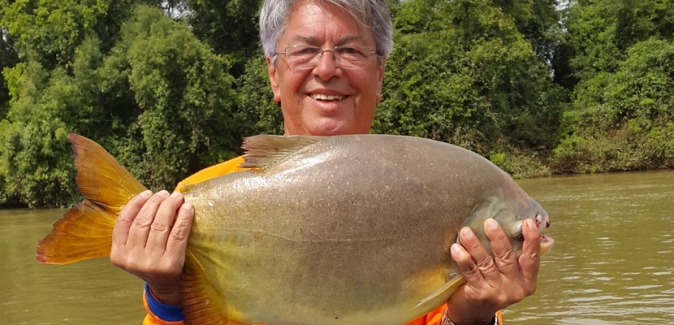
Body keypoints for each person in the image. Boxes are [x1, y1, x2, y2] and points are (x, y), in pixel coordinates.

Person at [110, 0, 542, 324]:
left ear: (380, 74)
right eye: (305, 51)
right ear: (273, 74)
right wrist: (167, 295)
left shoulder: (437, 185)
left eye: (351, 51)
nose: (328, 68)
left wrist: (471, 315)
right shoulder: (196, 199)